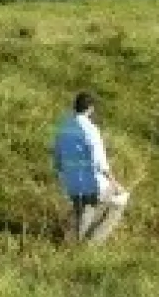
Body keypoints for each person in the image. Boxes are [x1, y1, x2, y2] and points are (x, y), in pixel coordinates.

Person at [52, 92, 131, 243]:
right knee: (119, 202)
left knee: (84, 210)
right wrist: (114, 182)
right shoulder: (91, 129)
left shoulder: (64, 128)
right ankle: (92, 244)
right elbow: (99, 160)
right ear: (90, 109)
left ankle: (71, 244)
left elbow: (57, 157)